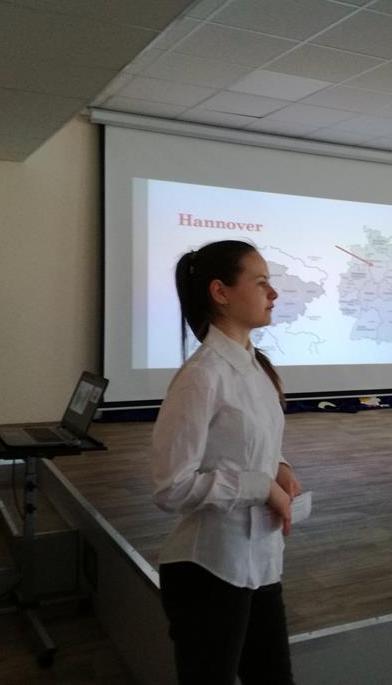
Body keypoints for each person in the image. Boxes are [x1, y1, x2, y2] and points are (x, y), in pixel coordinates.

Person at [151, 240, 301, 685]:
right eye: (261, 283)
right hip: (209, 571)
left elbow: (250, 444)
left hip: (261, 564)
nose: (273, 293)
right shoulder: (201, 377)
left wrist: (279, 468)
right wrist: (260, 486)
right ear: (220, 292)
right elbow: (171, 487)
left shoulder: (256, 367)